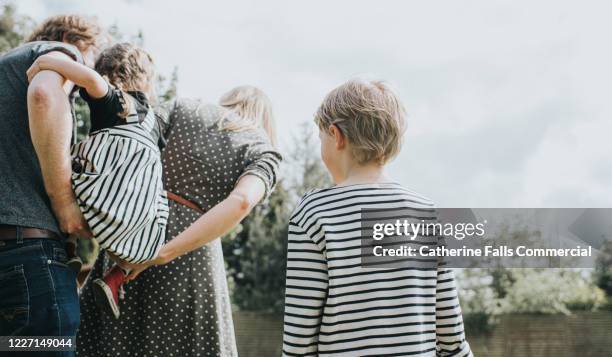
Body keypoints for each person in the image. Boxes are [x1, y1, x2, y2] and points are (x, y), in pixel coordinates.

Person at [78, 86, 282, 356]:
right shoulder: (263, 149)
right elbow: (243, 200)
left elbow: (134, 133)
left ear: (228, 99)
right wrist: (163, 254)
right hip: (191, 258)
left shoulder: (183, 107)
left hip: (134, 230)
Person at [281, 79, 473, 356]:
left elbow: (299, 340)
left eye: (320, 136)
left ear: (336, 136)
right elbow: (452, 340)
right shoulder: (426, 214)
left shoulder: (314, 214)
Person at [26, 42, 169, 319]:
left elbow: (89, 79)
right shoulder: (155, 122)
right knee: (154, 225)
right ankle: (115, 277)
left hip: (97, 198)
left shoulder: (118, 102)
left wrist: (46, 63)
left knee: (63, 171)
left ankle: (67, 249)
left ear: (107, 74)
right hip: (135, 214)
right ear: (147, 80)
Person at [0, 15, 106, 347]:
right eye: (95, 60)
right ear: (73, 40)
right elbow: (45, 94)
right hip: (28, 260)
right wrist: (63, 202)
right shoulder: (56, 51)